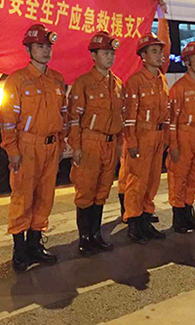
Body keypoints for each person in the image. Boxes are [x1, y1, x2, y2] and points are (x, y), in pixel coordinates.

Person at [0, 24, 67, 272]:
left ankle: (35, 244)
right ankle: (20, 250)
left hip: (51, 147)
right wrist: (12, 150)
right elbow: (7, 119)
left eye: (48, 46)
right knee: (23, 197)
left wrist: (61, 143)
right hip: (27, 147)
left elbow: (63, 114)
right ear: (28, 50)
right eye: (40, 46)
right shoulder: (17, 80)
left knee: (44, 197)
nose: (45, 51)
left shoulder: (57, 79)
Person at [68, 31, 123, 255]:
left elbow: (120, 116)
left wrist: (119, 144)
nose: (109, 57)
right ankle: (84, 238)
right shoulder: (84, 83)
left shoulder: (117, 84)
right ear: (93, 56)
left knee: (102, 190)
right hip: (90, 142)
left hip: (110, 143)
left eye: (112, 53)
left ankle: (96, 235)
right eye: (105, 53)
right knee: (86, 190)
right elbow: (74, 118)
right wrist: (76, 146)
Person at [118, 13, 171, 225]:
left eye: (160, 51)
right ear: (143, 56)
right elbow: (129, 115)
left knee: (153, 179)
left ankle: (146, 217)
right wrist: (131, 141)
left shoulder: (161, 79)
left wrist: (165, 137)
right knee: (137, 180)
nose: (159, 55)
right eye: (154, 51)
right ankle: (134, 220)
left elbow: (165, 112)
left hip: (157, 137)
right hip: (141, 136)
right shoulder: (136, 81)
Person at [167, 41, 195, 234]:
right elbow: (172, 120)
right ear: (187, 62)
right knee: (180, 177)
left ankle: (188, 212)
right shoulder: (179, 88)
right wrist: (173, 145)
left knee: (194, 177)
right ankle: (178, 217)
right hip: (184, 136)